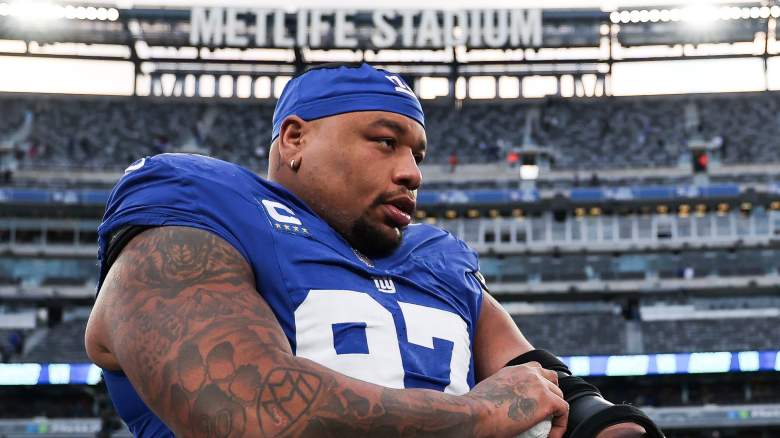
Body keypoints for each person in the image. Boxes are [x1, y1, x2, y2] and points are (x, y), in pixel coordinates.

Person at [85, 63, 661, 437]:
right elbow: (246, 409)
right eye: (385, 142)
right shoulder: (201, 207)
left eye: (418, 155)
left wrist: (603, 422)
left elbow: (538, 379)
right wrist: (479, 414)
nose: (412, 173)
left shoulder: (437, 257)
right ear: (295, 138)